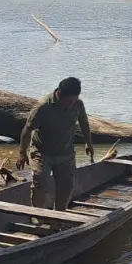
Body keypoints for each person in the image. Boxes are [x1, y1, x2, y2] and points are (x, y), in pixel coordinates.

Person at [17, 77, 94, 211]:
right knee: (40, 182)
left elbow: (84, 123)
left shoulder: (78, 104)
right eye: (68, 101)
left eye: (74, 100)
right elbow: (27, 130)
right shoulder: (43, 107)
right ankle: (37, 216)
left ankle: (59, 217)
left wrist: (89, 143)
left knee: (66, 186)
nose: (71, 104)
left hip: (66, 153)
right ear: (59, 94)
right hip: (42, 152)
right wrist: (22, 153)